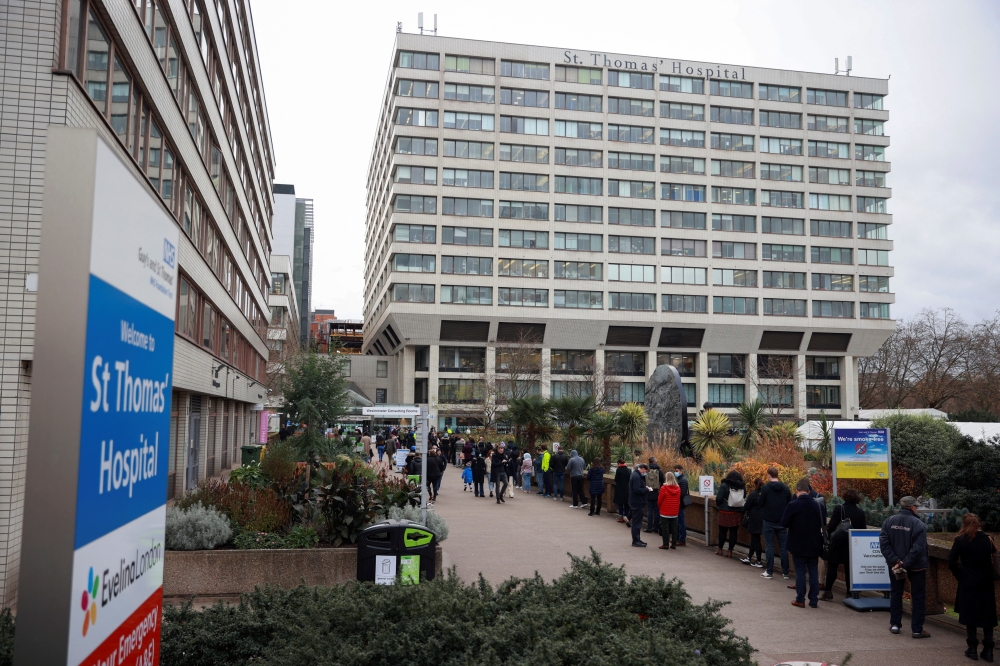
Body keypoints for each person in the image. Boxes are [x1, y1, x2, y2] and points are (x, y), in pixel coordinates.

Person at [880, 495, 931, 639]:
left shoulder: (889, 521)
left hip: (894, 565)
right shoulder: (918, 524)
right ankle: (917, 629)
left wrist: (895, 561)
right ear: (912, 507)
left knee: (896, 593)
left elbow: (884, 543)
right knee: (918, 597)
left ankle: (895, 624)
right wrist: (905, 562)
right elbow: (918, 548)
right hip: (916, 566)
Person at [948, 513, 997, 661]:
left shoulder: (960, 540)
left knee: (970, 615)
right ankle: (988, 649)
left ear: (964, 524)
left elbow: (951, 561)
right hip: (986, 582)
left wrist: (959, 575)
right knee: (988, 615)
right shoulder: (988, 539)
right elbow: (994, 558)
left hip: (968, 582)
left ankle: (972, 648)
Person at [781, 478, 825, 608]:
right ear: (809, 491)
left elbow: (784, 523)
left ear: (797, 491)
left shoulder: (793, 505)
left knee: (800, 572)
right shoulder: (819, 505)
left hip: (798, 543)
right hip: (814, 543)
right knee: (813, 571)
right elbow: (823, 524)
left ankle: (800, 599)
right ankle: (813, 600)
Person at [822, 488, 866, 600]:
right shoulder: (860, 513)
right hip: (852, 545)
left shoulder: (839, 509)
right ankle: (849, 593)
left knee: (832, 567)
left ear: (845, 497)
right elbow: (863, 531)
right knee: (849, 570)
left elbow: (831, 526)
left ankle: (828, 592)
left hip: (837, 544)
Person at [759, 466, 793, 580]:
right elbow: (790, 504)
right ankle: (785, 572)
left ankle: (769, 571)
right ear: (777, 475)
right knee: (783, 547)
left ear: (769, 475)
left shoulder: (765, 488)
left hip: (768, 521)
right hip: (782, 522)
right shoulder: (786, 488)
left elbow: (760, 503)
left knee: (769, 546)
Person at [715, 470, 746, 558]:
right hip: (736, 512)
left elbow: (719, 498)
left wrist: (719, 506)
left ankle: (720, 549)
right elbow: (743, 497)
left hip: (724, 512)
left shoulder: (724, 485)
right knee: (733, 532)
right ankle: (730, 551)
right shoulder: (742, 486)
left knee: (722, 532)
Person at [740, 478, 766, 567]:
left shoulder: (753, 494)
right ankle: (749, 557)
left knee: (756, 540)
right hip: (762, 519)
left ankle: (759, 561)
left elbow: (746, 507)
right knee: (754, 539)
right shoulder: (765, 494)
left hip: (754, 518)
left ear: (755, 485)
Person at [628, 463, 651, 547]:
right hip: (637, 502)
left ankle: (637, 539)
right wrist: (646, 489)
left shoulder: (635, 475)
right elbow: (637, 490)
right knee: (636, 523)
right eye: (646, 471)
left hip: (635, 501)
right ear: (642, 469)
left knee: (636, 522)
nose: (645, 473)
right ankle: (636, 540)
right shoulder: (637, 477)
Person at [657, 472, 681, 550]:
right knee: (674, 528)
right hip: (674, 511)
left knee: (665, 528)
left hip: (665, 511)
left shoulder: (663, 488)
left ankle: (665, 544)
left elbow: (660, 500)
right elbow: (678, 499)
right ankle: (674, 543)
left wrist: (659, 507)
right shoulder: (678, 488)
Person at [644, 457, 664, 534]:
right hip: (657, 493)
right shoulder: (659, 471)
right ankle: (656, 528)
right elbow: (663, 481)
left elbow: (643, 481)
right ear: (655, 461)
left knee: (649, 511)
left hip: (648, 492)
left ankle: (649, 527)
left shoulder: (647, 470)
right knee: (656, 510)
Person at [674, 465, 690, 546]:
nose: (675, 472)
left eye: (677, 471)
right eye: (675, 471)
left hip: (680, 504)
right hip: (678, 504)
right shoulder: (680, 479)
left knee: (681, 522)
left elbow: (682, 493)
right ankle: (677, 538)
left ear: (681, 471)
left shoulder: (683, 480)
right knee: (678, 522)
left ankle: (682, 539)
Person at [614, 459, 631, 525]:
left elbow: (616, 479)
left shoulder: (619, 470)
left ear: (618, 463)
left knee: (620, 504)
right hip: (627, 489)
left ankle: (621, 517)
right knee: (626, 504)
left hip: (620, 489)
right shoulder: (629, 470)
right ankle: (626, 516)